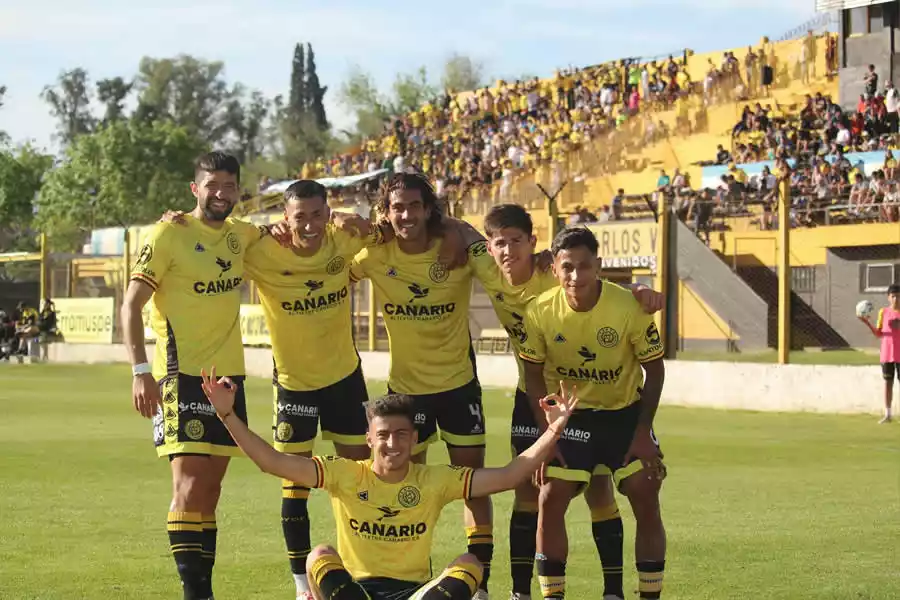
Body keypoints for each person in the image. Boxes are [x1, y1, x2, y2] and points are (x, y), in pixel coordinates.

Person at [197, 367, 580, 600]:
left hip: (414, 592)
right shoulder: (345, 473)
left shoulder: (435, 479)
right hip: (355, 590)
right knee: (319, 556)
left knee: (469, 565)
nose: (392, 443)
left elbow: (511, 475)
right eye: (383, 435)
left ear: (415, 440)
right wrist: (227, 414)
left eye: (401, 435)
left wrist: (556, 428)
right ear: (369, 439)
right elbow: (272, 462)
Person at [477, 204, 663, 600]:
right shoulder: (536, 307)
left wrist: (644, 432)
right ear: (555, 269)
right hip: (563, 414)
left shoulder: (625, 306)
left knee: (641, 488)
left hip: (621, 414)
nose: (575, 276)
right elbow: (531, 376)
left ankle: (630, 592)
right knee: (546, 493)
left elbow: (656, 370)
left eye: (584, 267)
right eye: (567, 268)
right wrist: (548, 438)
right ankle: (537, 594)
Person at [120, 151, 268, 600]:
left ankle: (203, 590)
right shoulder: (168, 233)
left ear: (239, 191)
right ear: (195, 189)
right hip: (179, 374)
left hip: (228, 378)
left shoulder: (243, 235)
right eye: (212, 185)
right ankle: (196, 595)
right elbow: (130, 306)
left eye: (229, 186)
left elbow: (288, 233)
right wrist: (140, 371)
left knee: (211, 489)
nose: (221, 194)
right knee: (187, 485)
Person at [859, 283, 900, 423]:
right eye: (893, 296)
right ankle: (888, 414)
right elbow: (878, 333)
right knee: (888, 383)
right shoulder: (883, 312)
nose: (896, 299)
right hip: (887, 354)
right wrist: (867, 323)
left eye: (898, 297)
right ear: (888, 297)